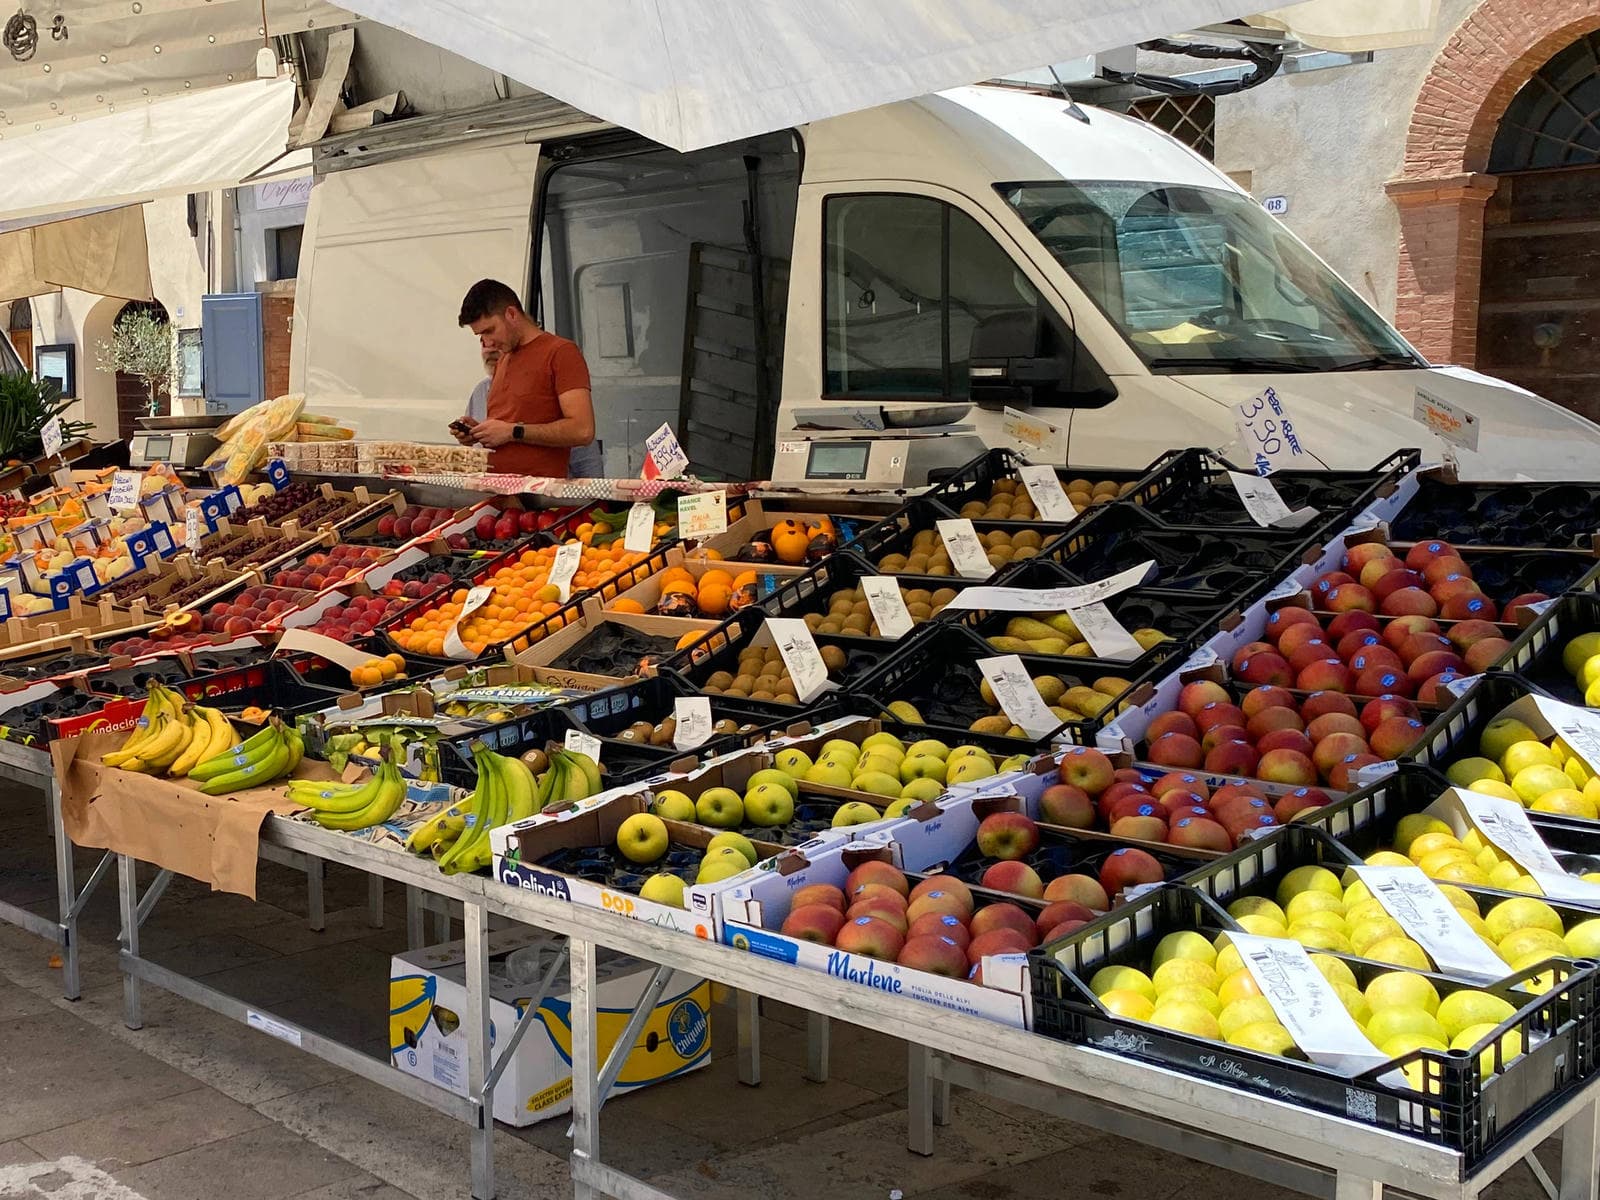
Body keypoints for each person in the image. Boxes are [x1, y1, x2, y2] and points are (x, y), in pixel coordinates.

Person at [452, 279, 596, 477]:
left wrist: (513, 432)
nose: (488, 342)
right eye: (480, 337)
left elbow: (582, 430)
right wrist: (479, 433)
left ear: (511, 314)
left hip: (540, 500)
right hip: (500, 497)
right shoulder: (504, 359)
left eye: (489, 331)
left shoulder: (561, 352)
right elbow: (507, 427)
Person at [465, 342, 604, 476]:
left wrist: (513, 431)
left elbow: (584, 453)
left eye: (495, 341)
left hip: (549, 493)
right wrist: (473, 435)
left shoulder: (548, 381)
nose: (490, 349)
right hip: (497, 492)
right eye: (483, 343)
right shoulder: (480, 391)